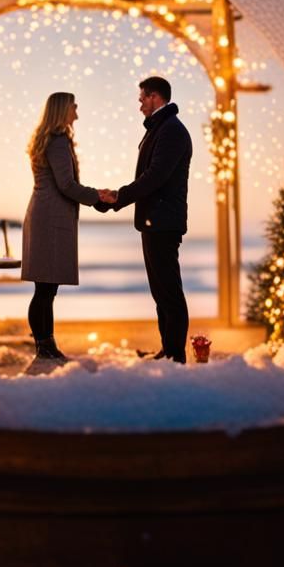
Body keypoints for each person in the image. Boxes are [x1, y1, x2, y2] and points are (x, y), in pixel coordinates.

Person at [99, 76, 192, 362]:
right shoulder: (161, 128)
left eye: (142, 99)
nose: (139, 105)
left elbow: (155, 176)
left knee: (169, 292)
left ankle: (176, 355)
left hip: (163, 222)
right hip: (155, 221)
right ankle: (169, 349)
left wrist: (119, 197)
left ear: (155, 97)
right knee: (161, 293)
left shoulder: (171, 131)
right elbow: (151, 177)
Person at [20, 91, 104, 366]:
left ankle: (46, 344)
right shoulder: (57, 143)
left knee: (45, 287)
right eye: (74, 107)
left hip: (43, 215)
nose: (76, 112)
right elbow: (66, 185)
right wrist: (97, 197)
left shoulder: (50, 140)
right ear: (62, 110)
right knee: (45, 288)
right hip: (50, 220)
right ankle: (45, 345)